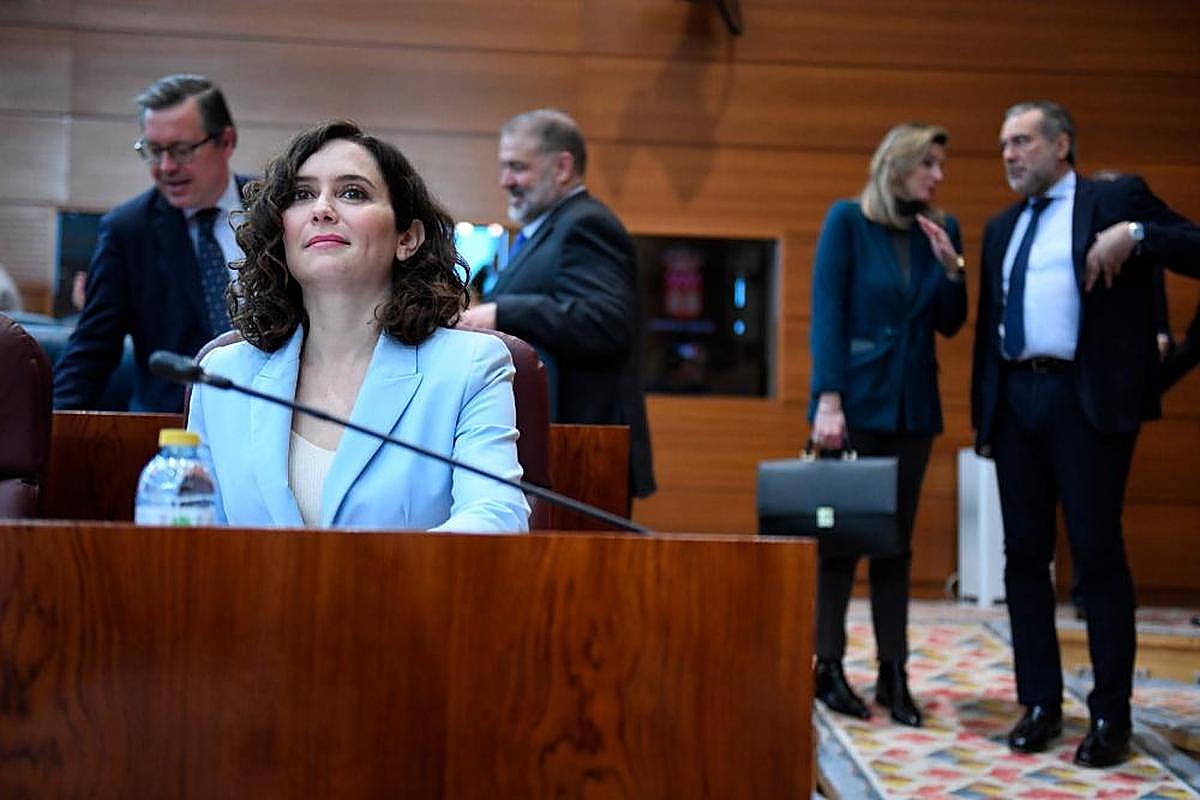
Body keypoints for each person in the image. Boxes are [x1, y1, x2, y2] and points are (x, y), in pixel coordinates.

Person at [972, 100, 1200, 768]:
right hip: (1017, 401)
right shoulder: (1000, 226)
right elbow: (991, 333)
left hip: (1085, 401)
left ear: (1061, 144)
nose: (1010, 154)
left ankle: (1110, 715)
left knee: (1097, 557)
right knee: (1023, 558)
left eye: (1022, 141)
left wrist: (1137, 232)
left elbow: (1195, 246)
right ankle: (1039, 703)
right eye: (1003, 144)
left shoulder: (1114, 200)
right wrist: (986, 417)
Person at [188, 121, 529, 534]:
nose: (322, 209)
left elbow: (496, 518)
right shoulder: (223, 376)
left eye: (353, 192)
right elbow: (196, 539)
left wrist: (357, 578)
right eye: (301, 195)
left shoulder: (470, 367)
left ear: (408, 238)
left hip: (408, 598)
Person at [808, 123, 967, 727]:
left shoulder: (941, 230)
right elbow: (828, 311)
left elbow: (951, 323)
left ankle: (893, 674)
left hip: (913, 408)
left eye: (940, 165)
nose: (938, 176)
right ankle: (827, 667)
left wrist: (953, 268)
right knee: (841, 545)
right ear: (897, 165)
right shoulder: (847, 222)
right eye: (929, 164)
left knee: (896, 546)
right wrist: (828, 400)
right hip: (852, 405)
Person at [458, 109, 655, 504]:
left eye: (517, 167)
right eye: (503, 168)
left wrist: (500, 313)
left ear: (563, 167)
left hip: (582, 452)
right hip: (554, 453)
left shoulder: (586, 225)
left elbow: (606, 322)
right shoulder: (544, 231)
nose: (505, 181)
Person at [54, 73, 247, 411]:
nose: (166, 167)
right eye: (154, 151)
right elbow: (92, 351)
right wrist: (49, 437)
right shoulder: (128, 230)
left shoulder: (276, 210)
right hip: (170, 427)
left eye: (182, 150)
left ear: (226, 141)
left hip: (274, 415)